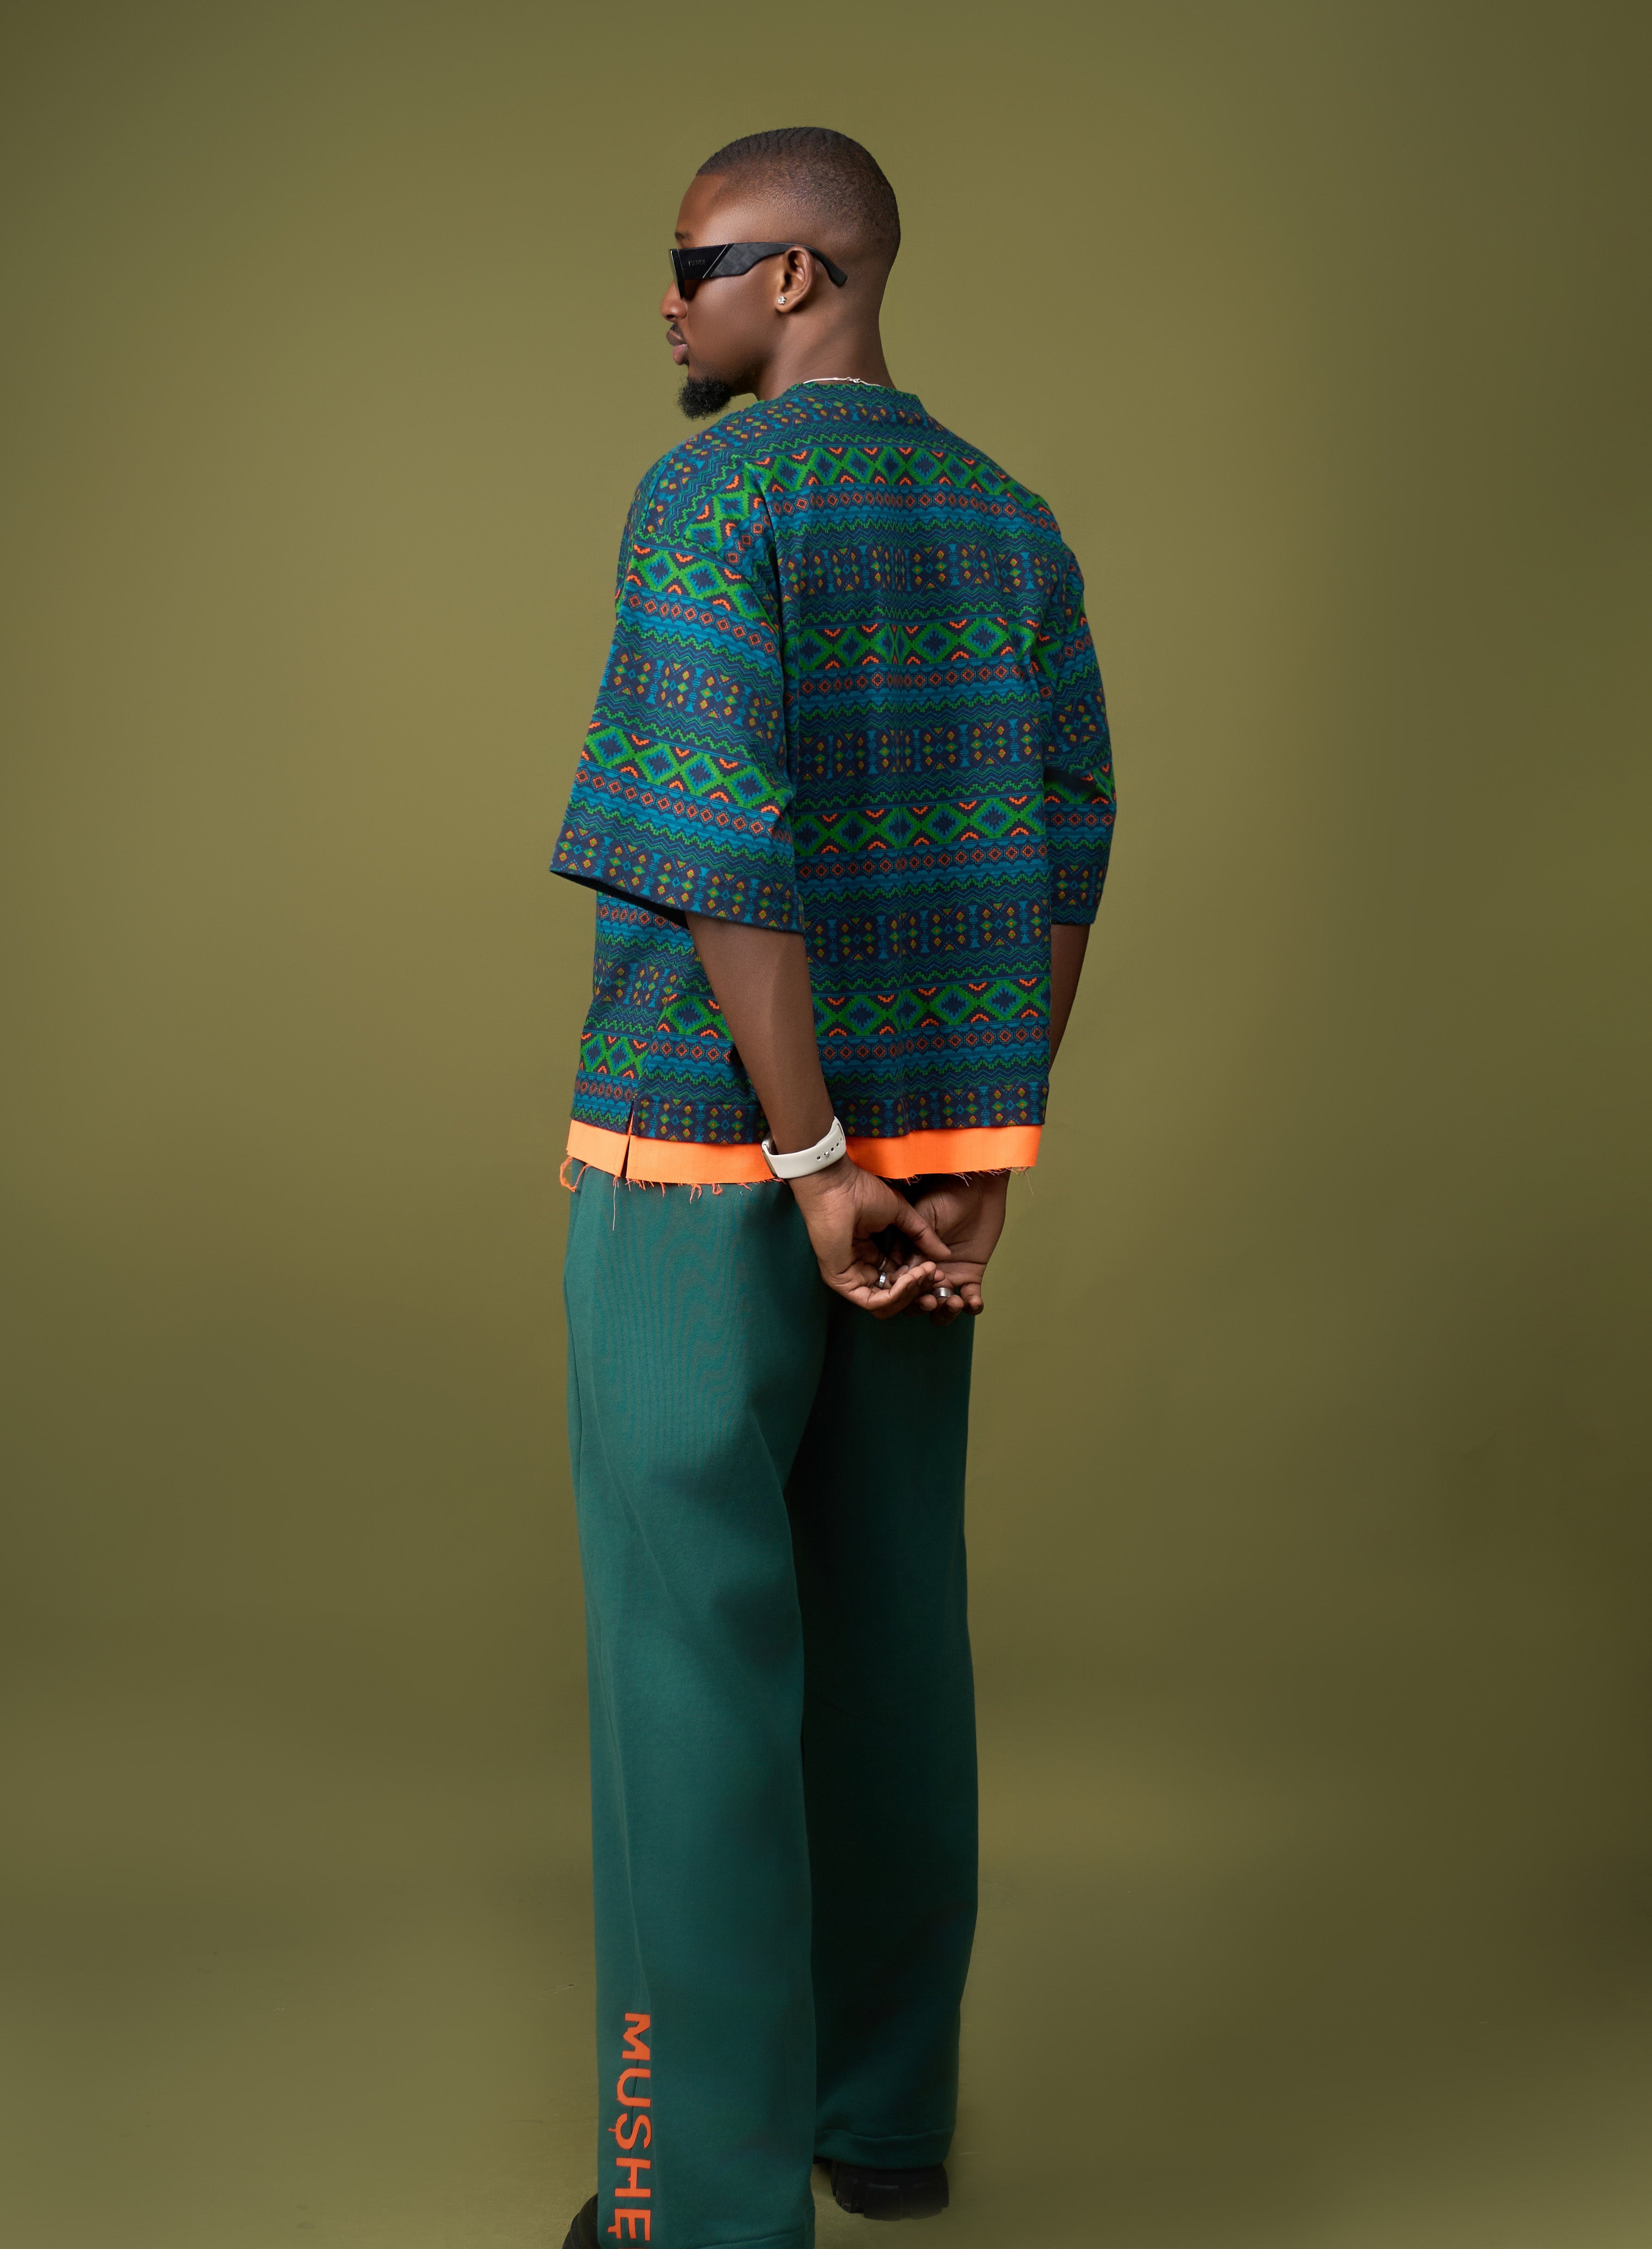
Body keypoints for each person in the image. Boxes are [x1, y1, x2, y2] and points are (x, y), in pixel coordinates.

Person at [550, 126, 1113, 2249]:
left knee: (692, 1668)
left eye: (691, 260)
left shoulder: (712, 498)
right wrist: (973, 1152)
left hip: (708, 1165)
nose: (665, 297)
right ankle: (884, 2119)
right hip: (926, 1174)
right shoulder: (1006, 520)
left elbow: (716, 843)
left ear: (801, 275)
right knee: (886, 1630)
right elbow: (1067, 836)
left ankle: (686, 2198)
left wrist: (804, 1165)